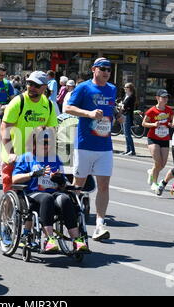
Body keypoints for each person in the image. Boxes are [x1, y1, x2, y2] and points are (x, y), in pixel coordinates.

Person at [65, 57, 123, 242]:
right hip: (85, 144)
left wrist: (118, 116)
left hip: (105, 145)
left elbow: (110, 109)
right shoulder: (83, 87)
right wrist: (88, 113)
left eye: (109, 69)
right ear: (94, 69)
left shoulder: (112, 89)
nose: (106, 72)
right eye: (103, 68)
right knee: (78, 186)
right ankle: (71, 222)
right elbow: (67, 107)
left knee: (104, 185)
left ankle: (99, 225)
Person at [12, 127, 88, 253]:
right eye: (43, 142)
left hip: (54, 192)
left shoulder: (55, 158)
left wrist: (59, 180)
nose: (46, 146)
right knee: (46, 199)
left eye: (49, 143)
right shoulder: (26, 157)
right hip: (33, 193)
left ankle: (76, 240)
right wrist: (33, 174)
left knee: (65, 199)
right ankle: (49, 240)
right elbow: (15, 179)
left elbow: (63, 184)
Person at [0, 71, 58, 193]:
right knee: (11, 196)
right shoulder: (18, 102)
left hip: (36, 160)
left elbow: (51, 132)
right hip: (14, 158)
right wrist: (10, 152)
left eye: (36, 85)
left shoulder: (49, 105)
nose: (31, 88)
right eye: (29, 84)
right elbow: (4, 128)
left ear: (44, 87)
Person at [142, 89, 174, 193]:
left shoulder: (169, 110)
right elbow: (144, 123)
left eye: (166, 97)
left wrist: (171, 124)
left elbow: (173, 121)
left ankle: (152, 172)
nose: (165, 99)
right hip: (153, 138)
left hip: (165, 138)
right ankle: (155, 183)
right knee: (158, 161)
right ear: (157, 98)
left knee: (163, 164)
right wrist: (153, 125)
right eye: (163, 97)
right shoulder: (152, 111)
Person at [121, 83, 137, 156]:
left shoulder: (131, 97)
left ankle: (132, 150)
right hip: (124, 115)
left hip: (127, 116)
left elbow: (124, 106)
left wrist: (122, 105)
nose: (124, 88)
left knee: (128, 134)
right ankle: (128, 150)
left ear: (129, 88)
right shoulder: (126, 96)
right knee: (125, 134)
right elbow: (123, 105)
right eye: (124, 87)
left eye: (126, 87)